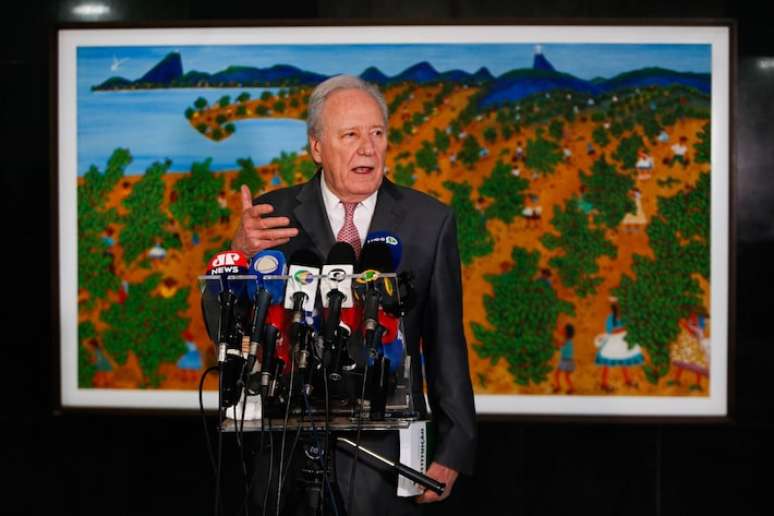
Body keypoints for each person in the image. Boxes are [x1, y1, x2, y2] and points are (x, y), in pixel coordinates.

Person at [231, 75, 476, 514]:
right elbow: (235, 322)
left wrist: (454, 447)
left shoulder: (428, 221)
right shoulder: (272, 216)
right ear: (317, 148)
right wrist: (237, 255)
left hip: (383, 462)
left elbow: (446, 344)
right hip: (285, 457)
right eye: (350, 135)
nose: (368, 147)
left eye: (377, 133)